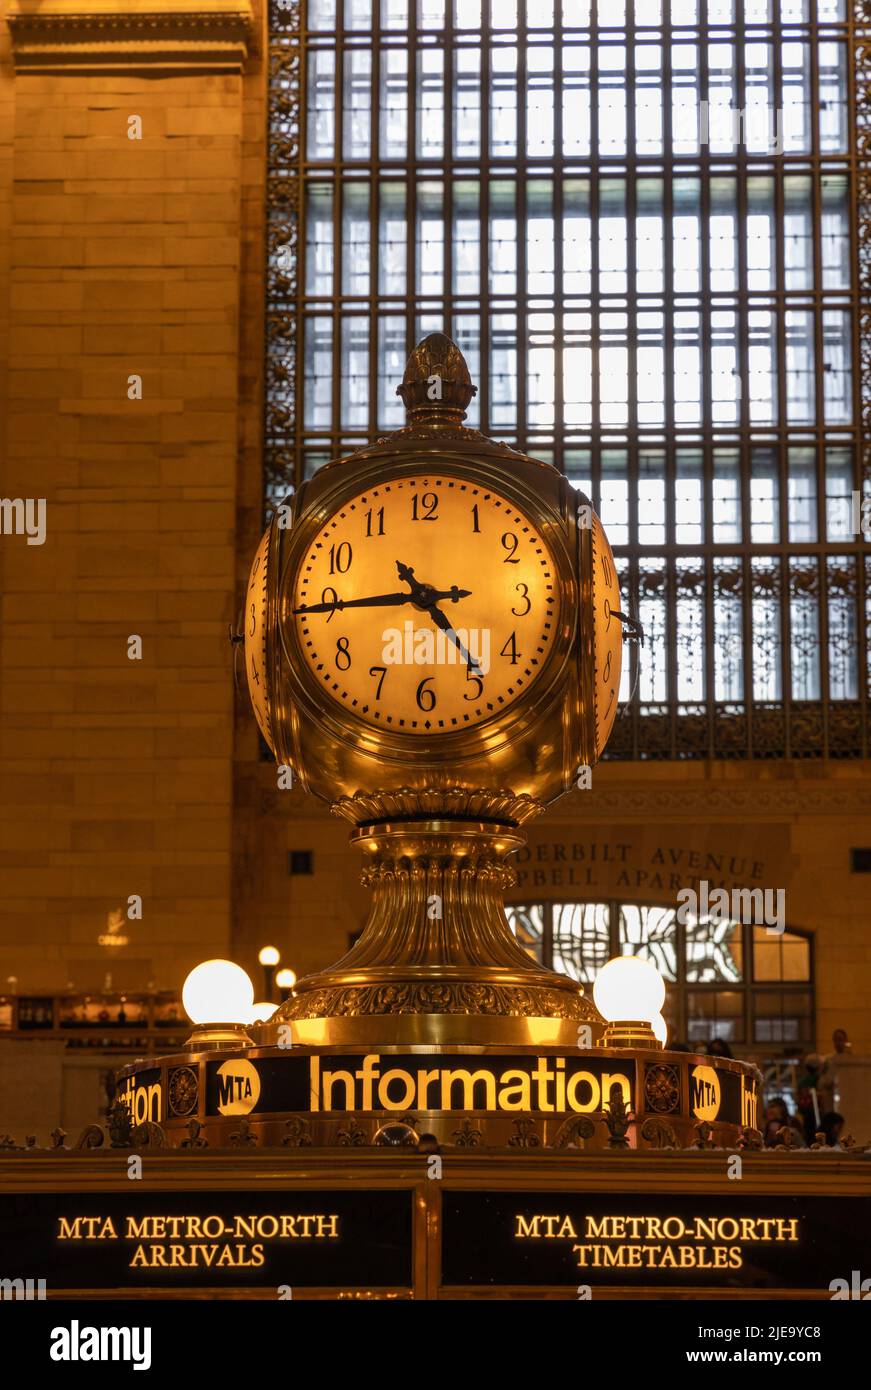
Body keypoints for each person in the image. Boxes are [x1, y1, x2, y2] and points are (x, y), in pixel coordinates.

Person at [795, 1053, 824, 1144]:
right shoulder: (819, 1080)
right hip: (817, 1112)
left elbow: (797, 1098)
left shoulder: (801, 1082)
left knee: (808, 1134)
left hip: (805, 1112)